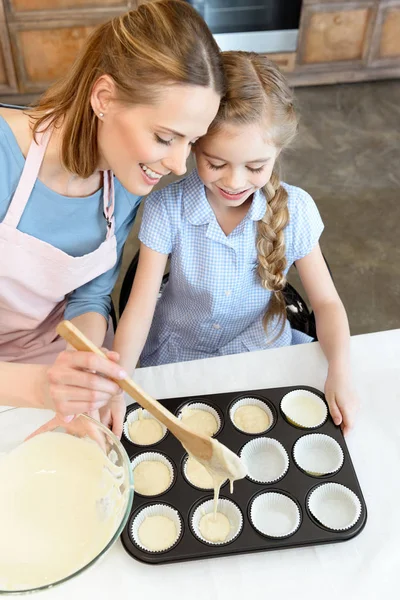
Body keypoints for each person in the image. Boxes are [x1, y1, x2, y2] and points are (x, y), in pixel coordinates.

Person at [0, 0, 224, 433]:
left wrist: (85, 366)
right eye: (164, 137)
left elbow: (90, 297)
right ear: (104, 98)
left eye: (191, 142)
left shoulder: (124, 182)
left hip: (53, 361)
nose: (179, 165)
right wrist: (41, 388)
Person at [112, 51, 359, 436]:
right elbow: (140, 307)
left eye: (255, 167)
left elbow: (327, 303)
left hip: (258, 351)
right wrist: (118, 385)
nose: (234, 181)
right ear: (193, 145)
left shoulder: (298, 211)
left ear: (278, 152)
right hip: (178, 353)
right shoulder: (166, 208)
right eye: (216, 163)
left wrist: (340, 372)